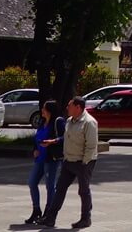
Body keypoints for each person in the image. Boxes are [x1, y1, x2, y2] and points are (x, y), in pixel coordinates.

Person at [38, 96, 99, 229]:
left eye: (70, 106)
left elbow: (91, 146)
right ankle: (50, 218)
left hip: (83, 162)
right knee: (60, 189)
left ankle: (85, 218)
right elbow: (64, 138)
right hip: (68, 161)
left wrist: (84, 162)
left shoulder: (89, 122)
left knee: (83, 191)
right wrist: (53, 142)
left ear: (78, 107)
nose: (67, 108)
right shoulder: (70, 121)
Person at [26, 100, 65, 225]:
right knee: (32, 182)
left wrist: (52, 141)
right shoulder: (42, 121)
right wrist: (35, 149)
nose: (42, 110)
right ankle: (36, 209)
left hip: (51, 158)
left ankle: (49, 213)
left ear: (49, 110)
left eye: (44, 108)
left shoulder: (58, 121)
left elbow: (64, 137)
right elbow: (36, 138)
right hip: (40, 158)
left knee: (50, 186)